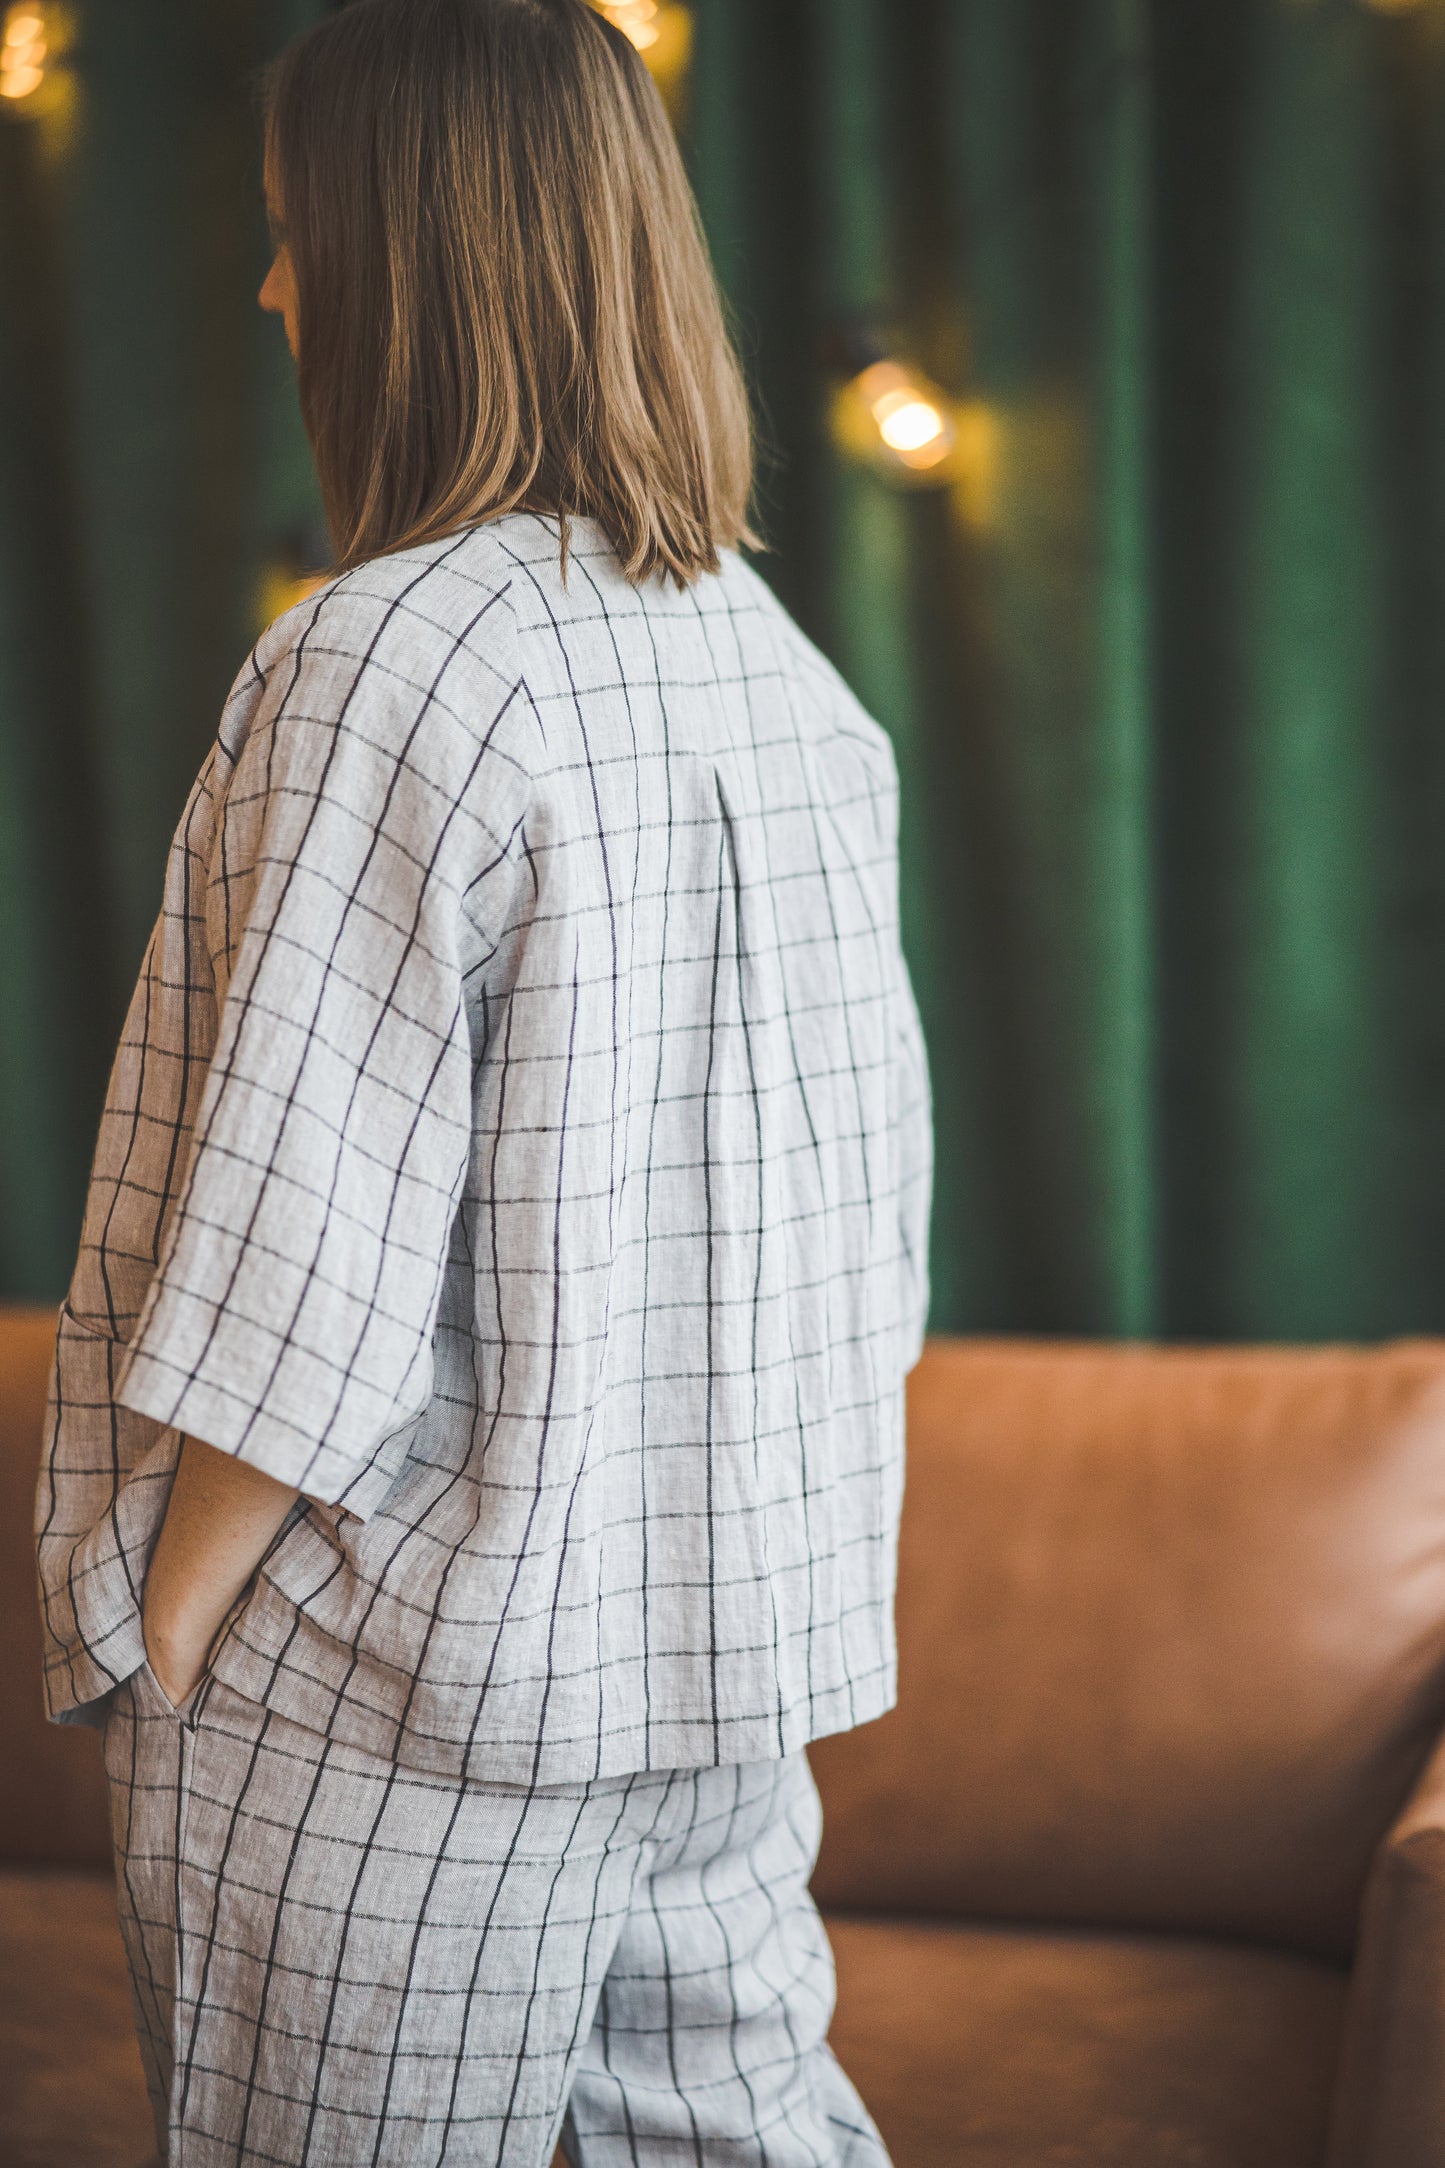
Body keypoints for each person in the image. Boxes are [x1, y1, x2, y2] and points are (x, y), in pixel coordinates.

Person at [33, 1, 933, 2161]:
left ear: (409, 258)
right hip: (709, 1682)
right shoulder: (786, 679)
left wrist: (169, 1635)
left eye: (290, 234)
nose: (268, 292)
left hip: (397, 1696)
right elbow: (865, 1236)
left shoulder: (379, 657)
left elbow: (300, 1264)